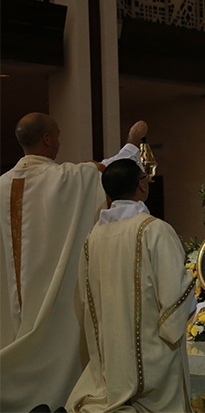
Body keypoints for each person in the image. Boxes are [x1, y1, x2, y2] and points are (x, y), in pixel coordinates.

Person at [0, 112, 147, 412]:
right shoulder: (67, 178)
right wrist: (132, 143)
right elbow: (111, 172)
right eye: (58, 135)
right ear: (48, 139)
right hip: (54, 303)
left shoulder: (1, 186)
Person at [65, 159, 196, 412]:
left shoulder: (93, 237)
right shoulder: (155, 230)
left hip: (112, 351)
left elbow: (85, 296)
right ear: (142, 186)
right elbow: (175, 297)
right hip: (151, 357)